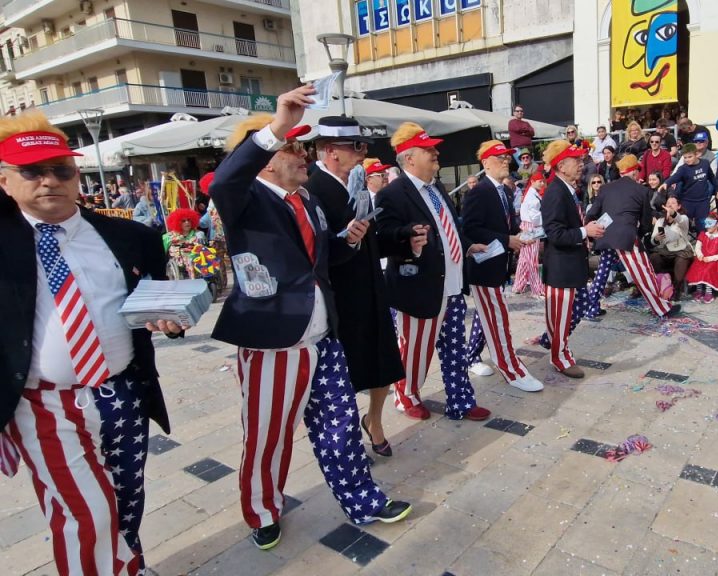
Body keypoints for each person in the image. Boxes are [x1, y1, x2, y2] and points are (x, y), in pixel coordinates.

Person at [209, 91, 412, 549]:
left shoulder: (308, 201)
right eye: (292, 148)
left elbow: (319, 261)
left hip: (323, 338)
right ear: (264, 160)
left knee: (340, 425)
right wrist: (275, 127)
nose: (304, 155)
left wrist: (350, 240)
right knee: (269, 438)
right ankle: (262, 510)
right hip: (273, 344)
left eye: (303, 147)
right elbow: (223, 181)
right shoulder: (244, 197)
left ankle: (363, 499)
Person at [0, 111, 181, 574]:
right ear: (4, 180)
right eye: (32, 171)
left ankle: (130, 566)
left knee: (124, 502)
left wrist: (169, 319)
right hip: (45, 405)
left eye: (61, 170)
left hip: (123, 391)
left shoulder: (130, 236)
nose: (49, 182)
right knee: (87, 515)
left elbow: (156, 302)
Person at [373, 122, 492, 420]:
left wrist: (466, 246)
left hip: (451, 285)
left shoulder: (436, 187)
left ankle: (461, 401)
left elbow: (447, 226)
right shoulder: (392, 194)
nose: (436, 153)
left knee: (454, 348)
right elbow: (383, 238)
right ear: (410, 158)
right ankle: (406, 394)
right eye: (429, 150)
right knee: (414, 350)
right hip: (419, 288)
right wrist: (406, 236)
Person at [305, 116, 404, 460]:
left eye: (363, 145)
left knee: (385, 363)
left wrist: (405, 238)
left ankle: (374, 421)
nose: (363, 152)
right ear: (331, 150)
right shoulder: (313, 189)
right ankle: (345, 444)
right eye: (355, 146)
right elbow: (315, 253)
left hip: (373, 290)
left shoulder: (356, 186)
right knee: (344, 376)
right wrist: (344, 241)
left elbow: (372, 240)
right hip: (342, 300)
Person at [462, 140, 544, 392]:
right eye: (500, 158)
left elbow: (503, 225)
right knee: (497, 318)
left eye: (507, 157)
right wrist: (506, 239)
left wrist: (516, 237)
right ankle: (511, 368)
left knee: (485, 316)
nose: (506, 161)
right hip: (484, 267)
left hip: (500, 263)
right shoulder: (478, 191)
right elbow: (471, 229)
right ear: (485, 163)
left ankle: (471, 356)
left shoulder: (505, 191)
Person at [537, 140, 606, 378]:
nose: (580, 164)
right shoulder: (556, 192)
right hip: (561, 268)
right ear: (561, 166)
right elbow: (554, 233)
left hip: (570, 265)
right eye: (575, 160)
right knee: (560, 316)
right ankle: (559, 357)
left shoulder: (566, 190)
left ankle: (557, 347)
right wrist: (585, 231)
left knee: (568, 314)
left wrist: (585, 231)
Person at [585, 154, 681, 318]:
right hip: (627, 236)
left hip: (606, 233)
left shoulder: (606, 188)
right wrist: (641, 234)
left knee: (602, 273)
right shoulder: (641, 190)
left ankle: (591, 307)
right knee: (643, 273)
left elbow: (591, 214)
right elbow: (645, 220)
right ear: (635, 172)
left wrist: (593, 233)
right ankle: (661, 308)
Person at [661, 143, 718, 232]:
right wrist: (666, 183)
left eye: (690, 157)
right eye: (685, 157)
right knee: (684, 226)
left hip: (703, 201)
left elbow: (712, 177)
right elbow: (675, 176)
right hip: (687, 202)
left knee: (703, 227)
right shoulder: (683, 168)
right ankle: (684, 245)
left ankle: (702, 244)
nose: (687, 160)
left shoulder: (705, 163)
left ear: (697, 154)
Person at [649, 196, 693, 300]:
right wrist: (656, 238)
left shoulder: (683, 219)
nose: (670, 204)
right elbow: (653, 240)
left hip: (681, 250)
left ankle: (676, 289)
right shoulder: (660, 221)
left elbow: (680, 219)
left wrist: (672, 213)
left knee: (681, 260)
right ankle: (663, 284)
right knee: (654, 257)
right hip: (665, 251)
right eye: (668, 203)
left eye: (673, 203)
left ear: (679, 206)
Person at [686, 213, 718, 303]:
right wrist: (699, 255)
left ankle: (708, 292)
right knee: (698, 268)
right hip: (702, 259)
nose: (707, 226)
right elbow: (697, 247)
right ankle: (699, 290)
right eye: (706, 223)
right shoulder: (703, 235)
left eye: (710, 224)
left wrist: (710, 258)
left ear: (717, 224)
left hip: (715, 261)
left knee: (708, 270)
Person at [513, 172, 546, 297]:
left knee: (524, 258)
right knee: (531, 258)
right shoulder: (532, 197)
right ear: (532, 182)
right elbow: (535, 216)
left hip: (528, 225)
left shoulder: (532, 194)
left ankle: (518, 285)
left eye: (542, 181)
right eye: (539, 181)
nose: (542, 183)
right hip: (532, 226)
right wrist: (545, 222)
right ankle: (537, 288)